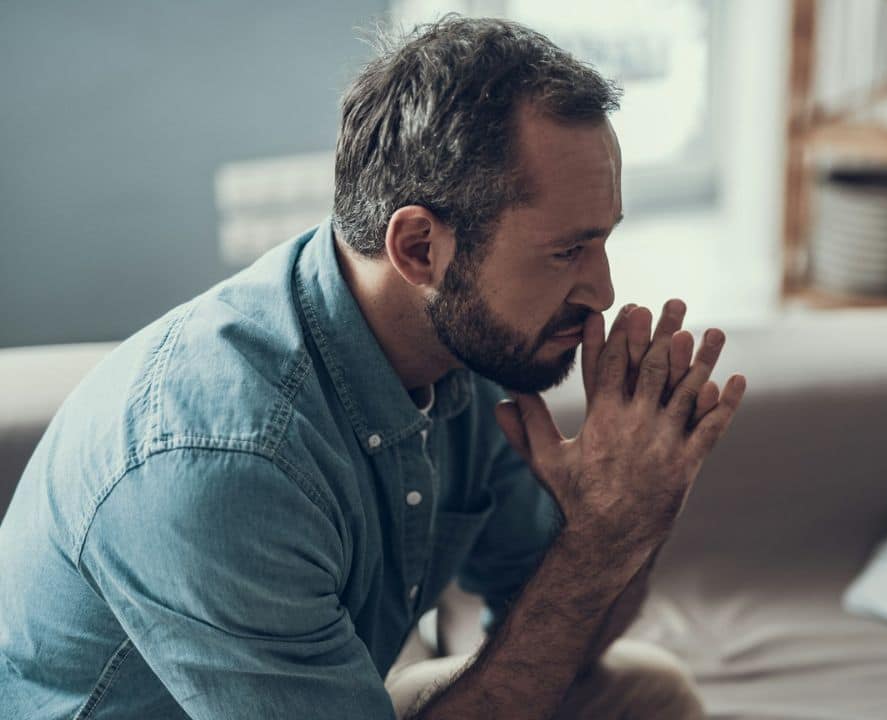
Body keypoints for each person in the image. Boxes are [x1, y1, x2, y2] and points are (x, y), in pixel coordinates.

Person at [0, 15, 746, 720]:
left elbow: (563, 640)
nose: (603, 292)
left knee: (647, 694)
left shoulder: (471, 346)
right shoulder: (224, 465)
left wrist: (632, 515)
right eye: (565, 251)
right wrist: (599, 540)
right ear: (419, 248)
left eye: (603, 241)